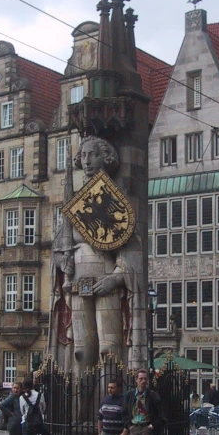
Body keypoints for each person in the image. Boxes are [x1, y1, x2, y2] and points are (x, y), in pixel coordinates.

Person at [50, 136, 144, 376]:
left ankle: (109, 400)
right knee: (82, 352)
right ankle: (81, 409)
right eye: (83, 156)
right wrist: (63, 262)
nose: (87, 160)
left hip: (107, 283)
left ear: (106, 158)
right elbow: (59, 249)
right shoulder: (75, 204)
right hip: (77, 285)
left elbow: (130, 249)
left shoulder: (113, 197)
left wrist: (115, 278)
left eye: (93, 155)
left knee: (109, 350)